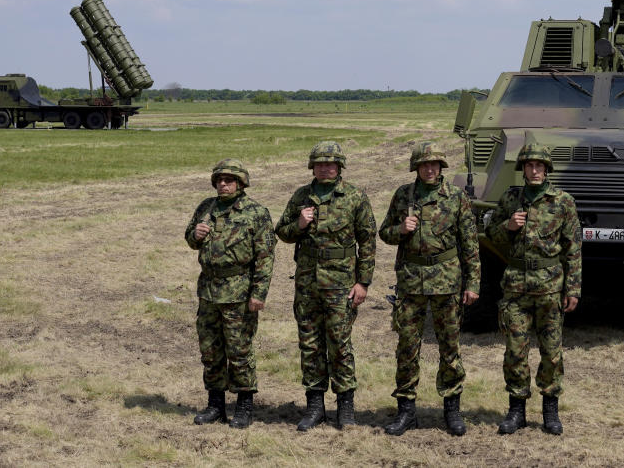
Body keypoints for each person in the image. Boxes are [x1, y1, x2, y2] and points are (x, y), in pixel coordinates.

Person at [378, 141, 481, 436]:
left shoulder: (456, 197)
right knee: (407, 348)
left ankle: (452, 410)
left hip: (447, 281)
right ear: (416, 168)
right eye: (424, 164)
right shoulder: (403, 196)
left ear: (441, 167)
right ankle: (406, 411)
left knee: (449, 347)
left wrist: (473, 283)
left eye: (434, 164)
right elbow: (384, 232)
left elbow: (470, 245)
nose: (429, 169)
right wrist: (401, 229)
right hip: (411, 281)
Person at [275, 141, 377, 431]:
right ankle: (315, 406)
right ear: (312, 167)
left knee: (340, 345)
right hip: (308, 283)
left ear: (340, 166)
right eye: (320, 163)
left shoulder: (355, 196)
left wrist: (363, 282)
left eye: (331, 164)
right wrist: (300, 224)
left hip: (341, 282)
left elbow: (368, 241)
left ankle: (345, 406)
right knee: (310, 345)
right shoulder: (302, 196)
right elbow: (282, 231)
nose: (325, 168)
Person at [486, 144, 582, 435]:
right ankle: (517, 411)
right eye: (530, 165)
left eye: (540, 166)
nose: (535, 170)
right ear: (523, 169)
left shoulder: (562, 201)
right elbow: (491, 236)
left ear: (547, 169)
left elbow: (573, 248)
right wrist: (509, 226)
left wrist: (573, 288)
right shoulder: (510, 198)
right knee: (515, 351)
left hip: (550, 286)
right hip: (515, 286)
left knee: (552, 352)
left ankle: (550, 410)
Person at [184, 159, 276, 429]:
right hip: (209, 291)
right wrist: (196, 234)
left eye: (229, 180)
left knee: (239, 351)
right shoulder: (206, 207)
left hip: (239, 292)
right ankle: (216, 406)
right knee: (211, 351)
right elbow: (190, 239)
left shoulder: (256, 212)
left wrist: (258, 293)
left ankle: (245, 406)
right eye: (219, 180)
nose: (223, 185)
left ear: (241, 183)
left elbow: (265, 257)